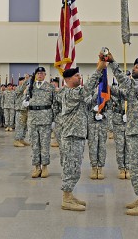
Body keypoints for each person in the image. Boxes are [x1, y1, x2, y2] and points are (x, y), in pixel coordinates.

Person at [106, 51, 138, 216]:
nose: (134, 68)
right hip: (134, 132)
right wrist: (106, 87)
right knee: (135, 168)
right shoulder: (135, 86)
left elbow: (127, 85)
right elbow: (122, 93)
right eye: (134, 66)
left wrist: (113, 63)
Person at [60, 64, 103, 211]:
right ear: (68, 79)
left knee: (75, 168)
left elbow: (88, 103)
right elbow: (85, 91)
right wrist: (99, 70)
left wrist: (100, 92)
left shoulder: (78, 94)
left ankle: (69, 195)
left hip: (77, 135)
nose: (80, 77)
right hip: (71, 135)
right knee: (71, 168)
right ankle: (66, 199)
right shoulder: (70, 92)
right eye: (77, 76)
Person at [23, 67, 55, 178]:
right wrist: (25, 102)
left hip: (45, 118)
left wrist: (54, 120)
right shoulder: (29, 87)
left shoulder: (50, 87)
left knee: (45, 144)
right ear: (35, 75)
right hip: (32, 119)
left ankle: (45, 167)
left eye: (42, 73)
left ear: (45, 75)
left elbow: (54, 104)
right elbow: (25, 100)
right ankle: (36, 167)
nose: (40, 75)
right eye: (38, 73)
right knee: (34, 144)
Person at [110, 81, 129, 179]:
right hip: (118, 121)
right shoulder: (116, 92)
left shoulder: (131, 92)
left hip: (130, 122)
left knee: (129, 147)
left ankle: (128, 168)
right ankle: (121, 168)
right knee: (120, 146)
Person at [13, 76, 30, 147]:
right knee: (19, 126)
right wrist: (26, 80)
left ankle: (22, 139)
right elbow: (21, 89)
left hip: (26, 110)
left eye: (24, 81)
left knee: (24, 126)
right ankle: (17, 140)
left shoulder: (27, 89)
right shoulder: (18, 88)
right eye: (22, 81)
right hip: (20, 110)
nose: (23, 82)